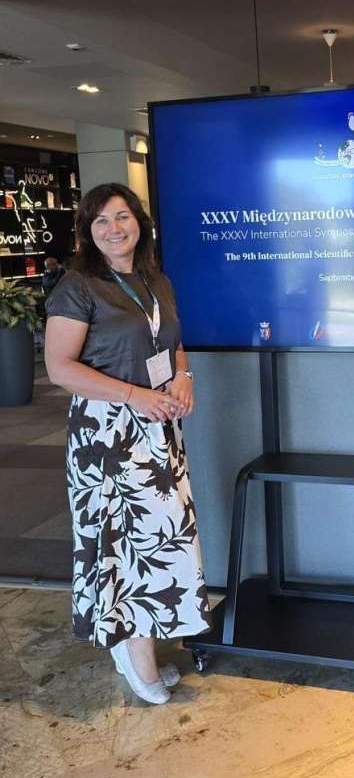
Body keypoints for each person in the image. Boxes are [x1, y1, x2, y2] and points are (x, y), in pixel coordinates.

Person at [45, 183, 211, 705]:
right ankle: (139, 657)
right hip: (108, 434)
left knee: (161, 539)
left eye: (122, 216)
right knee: (126, 545)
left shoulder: (155, 279)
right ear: (86, 232)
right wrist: (137, 395)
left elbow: (171, 344)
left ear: (140, 222)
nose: (114, 229)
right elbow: (60, 368)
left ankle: (131, 643)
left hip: (158, 427)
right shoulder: (77, 286)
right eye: (100, 221)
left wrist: (183, 377)